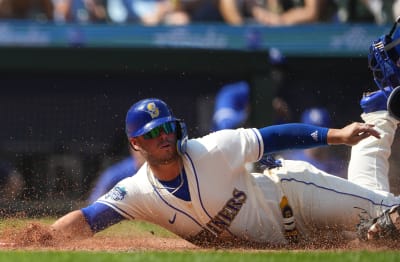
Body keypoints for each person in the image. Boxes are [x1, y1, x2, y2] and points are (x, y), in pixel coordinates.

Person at [49, 20, 400, 247]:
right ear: (136, 143)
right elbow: (90, 219)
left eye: (168, 128)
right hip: (292, 239)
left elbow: (273, 137)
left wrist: (335, 136)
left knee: (391, 217)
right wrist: (43, 239)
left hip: (296, 195)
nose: (165, 136)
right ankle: (380, 109)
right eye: (154, 133)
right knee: (377, 229)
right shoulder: (138, 191)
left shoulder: (210, 149)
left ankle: (379, 111)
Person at [278, 107, 348, 178]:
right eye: (311, 132)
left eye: (321, 132)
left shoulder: (340, 168)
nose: (316, 137)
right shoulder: (290, 161)